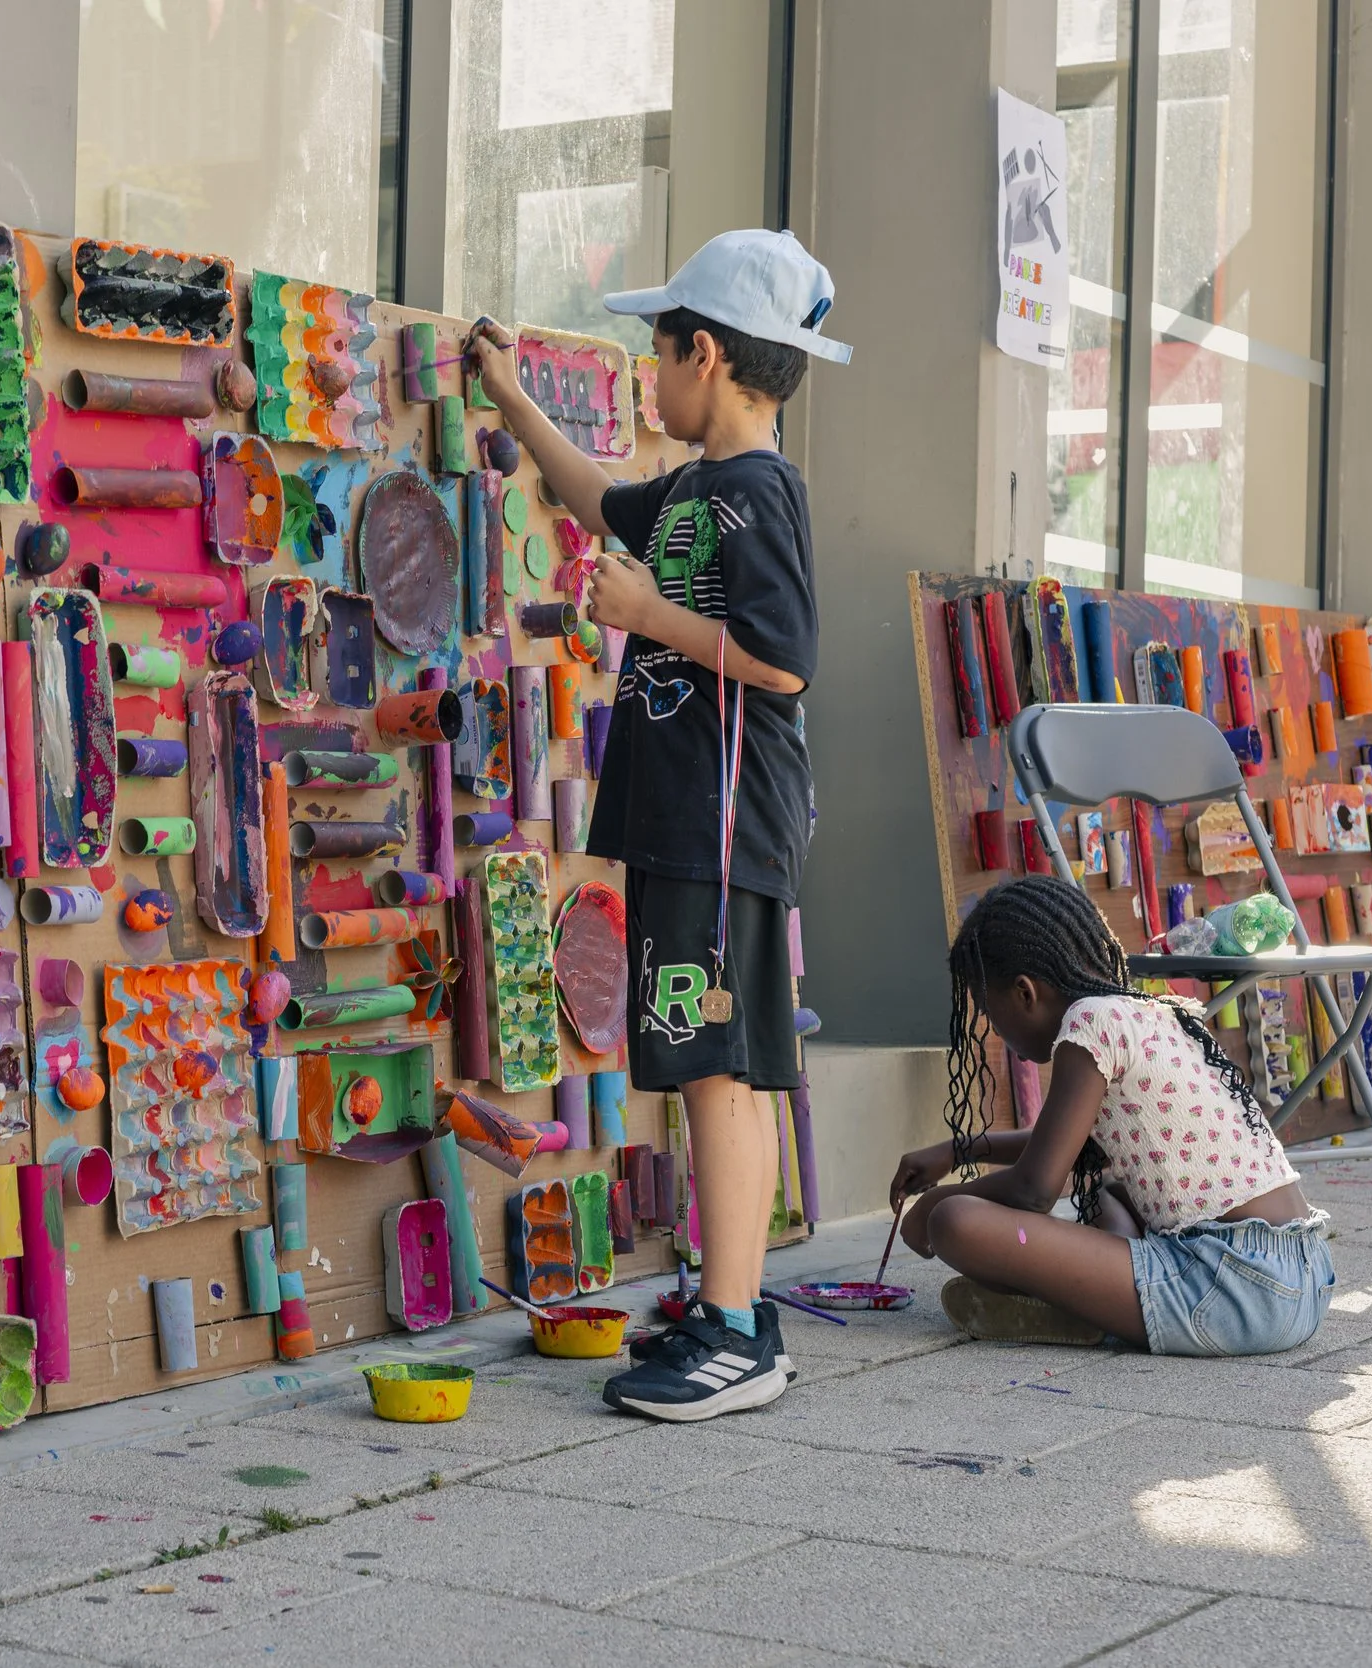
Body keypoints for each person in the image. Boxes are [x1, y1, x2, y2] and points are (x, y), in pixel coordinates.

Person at [468, 228, 850, 1421]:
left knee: (719, 1072)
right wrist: (517, 403)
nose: (646, 373)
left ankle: (737, 1329)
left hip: (725, 821)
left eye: (655, 350)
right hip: (693, 822)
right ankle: (729, 1304)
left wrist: (647, 614)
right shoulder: (694, 489)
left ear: (706, 355)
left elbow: (784, 664)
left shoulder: (758, 493)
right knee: (707, 1067)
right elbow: (598, 499)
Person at [890, 875, 1335, 1355]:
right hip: (1304, 1275)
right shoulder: (1150, 1013)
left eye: (992, 1016)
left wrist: (932, 1206)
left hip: (1230, 1290)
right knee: (1105, 1193)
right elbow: (1073, 1146)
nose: (1000, 1035)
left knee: (956, 1221)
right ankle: (1095, 1301)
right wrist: (957, 1150)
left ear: (1025, 993)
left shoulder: (1088, 1025)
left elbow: (1034, 1189)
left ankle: (1083, 1309)